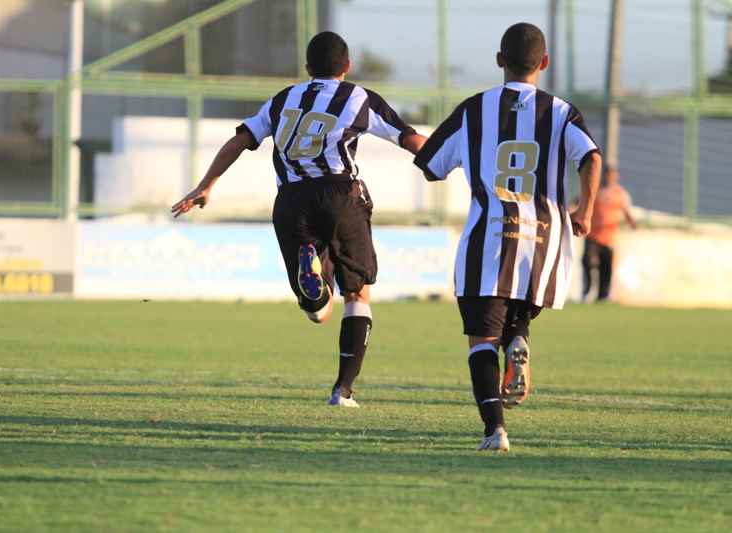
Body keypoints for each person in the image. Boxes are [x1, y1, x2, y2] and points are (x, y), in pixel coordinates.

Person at [172, 31, 427, 408]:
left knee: (319, 313)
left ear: (308, 68)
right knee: (357, 293)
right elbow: (410, 139)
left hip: (291, 202)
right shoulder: (358, 97)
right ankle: (342, 391)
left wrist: (205, 185)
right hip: (340, 195)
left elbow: (239, 140)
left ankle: (316, 288)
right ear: (347, 66)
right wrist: (449, 161)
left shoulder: (283, 99)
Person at [413, 22, 601, 451]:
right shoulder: (561, 111)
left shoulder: (473, 109)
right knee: (516, 310)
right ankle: (519, 336)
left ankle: (494, 430)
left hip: (489, 239)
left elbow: (431, 167)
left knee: (481, 339)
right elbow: (591, 158)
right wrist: (584, 212)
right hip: (542, 241)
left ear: (500, 60)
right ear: (544, 63)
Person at [582, 166, 636, 302]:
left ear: (616, 177)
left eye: (612, 175)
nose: (609, 177)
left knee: (606, 268)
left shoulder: (620, 194)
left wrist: (631, 222)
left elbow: (626, 210)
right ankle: (588, 291)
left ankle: (603, 296)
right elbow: (579, 202)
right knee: (588, 262)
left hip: (610, 237)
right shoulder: (595, 190)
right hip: (592, 235)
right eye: (607, 174)